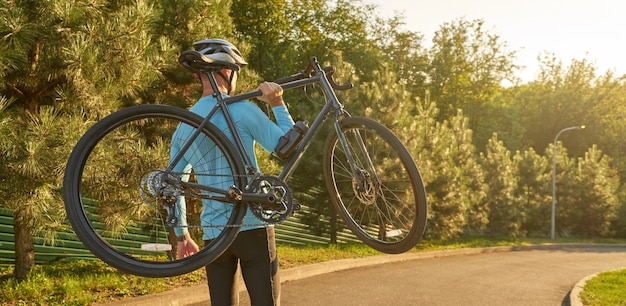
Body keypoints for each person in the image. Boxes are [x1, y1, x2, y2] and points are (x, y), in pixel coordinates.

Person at [171, 38, 295, 306]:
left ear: (199, 75)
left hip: (214, 234)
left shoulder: (184, 125)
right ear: (228, 71)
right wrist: (277, 103)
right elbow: (287, 146)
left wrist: (182, 236)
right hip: (253, 225)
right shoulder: (241, 109)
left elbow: (172, 186)